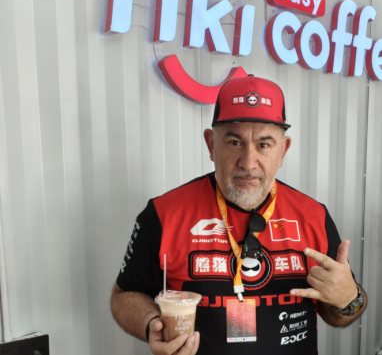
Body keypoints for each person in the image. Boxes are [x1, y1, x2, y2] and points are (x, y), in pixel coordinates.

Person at [111, 75, 367, 355]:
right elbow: (125, 295)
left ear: (283, 150)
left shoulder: (313, 215)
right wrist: (152, 325)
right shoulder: (164, 213)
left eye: (264, 145)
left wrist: (349, 299)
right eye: (234, 142)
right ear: (211, 145)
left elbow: (337, 313)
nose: (248, 163)